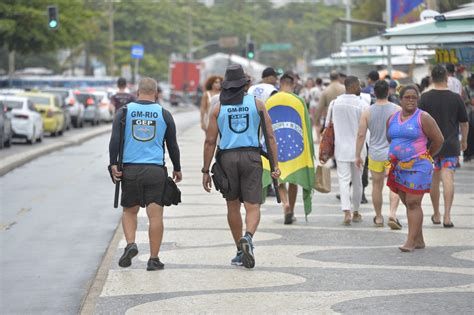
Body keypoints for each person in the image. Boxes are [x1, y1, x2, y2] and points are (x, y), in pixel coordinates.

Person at [202, 64, 280, 269]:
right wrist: (275, 165)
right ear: (245, 85)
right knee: (253, 205)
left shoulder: (218, 108)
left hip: (227, 159)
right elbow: (270, 136)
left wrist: (205, 170)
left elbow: (210, 141)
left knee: (232, 205)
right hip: (251, 157)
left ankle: (239, 249)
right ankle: (248, 237)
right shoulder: (257, 104)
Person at [109, 77, 182, 271]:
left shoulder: (124, 112)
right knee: (155, 216)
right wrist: (177, 167)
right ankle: (153, 258)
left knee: (129, 211)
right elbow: (172, 145)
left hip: (130, 170)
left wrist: (113, 164)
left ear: (137, 93)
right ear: (156, 94)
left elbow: (115, 140)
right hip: (155, 170)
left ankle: (131, 243)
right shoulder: (164, 114)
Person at [386, 85, 444, 251]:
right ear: (400, 99)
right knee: (407, 202)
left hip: (419, 167)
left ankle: (410, 242)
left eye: (414, 97)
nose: (411, 100)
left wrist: (427, 156)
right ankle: (419, 240)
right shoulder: (392, 118)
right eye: (407, 97)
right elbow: (390, 138)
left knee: (413, 202)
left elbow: (439, 139)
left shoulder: (423, 117)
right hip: (398, 166)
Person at [419, 65, 469, 228]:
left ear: (432, 79)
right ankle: (447, 216)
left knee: (434, 179)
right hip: (450, 144)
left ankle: (436, 214)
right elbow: (464, 122)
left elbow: (418, 122)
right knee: (448, 178)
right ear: (447, 78)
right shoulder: (456, 98)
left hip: (431, 146)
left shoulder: (425, 97)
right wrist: (464, 141)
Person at [266, 72, 315, 224]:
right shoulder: (298, 101)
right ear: (293, 84)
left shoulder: (270, 100)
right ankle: (291, 210)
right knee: (293, 179)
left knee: (279, 178)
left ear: (280, 84)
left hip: (276, 145)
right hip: (296, 145)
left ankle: (285, 204)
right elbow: (307, 126)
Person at [323, 76, 369, 225]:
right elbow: (366, 130)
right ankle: (356, 211)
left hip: (341, 148)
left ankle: (346, 212)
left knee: (343, 180)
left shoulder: (335, 103)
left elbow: (327, 126)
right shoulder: (363, 104)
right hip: (358, 149)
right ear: (355, 86)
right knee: (357, 182)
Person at [356, 80, 401, 229]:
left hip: (375, 154)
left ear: (374, 93)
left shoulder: (367, 112)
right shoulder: (397, 110)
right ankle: (393, 214)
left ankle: (379, 217)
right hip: (392, 155)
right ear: (388, 91)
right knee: (394, 185)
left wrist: (358, 155)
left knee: (377, 186)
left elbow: (361, 135)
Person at [462, 74, 474, 162]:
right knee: (467, 135)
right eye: (470, 80)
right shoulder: (465, 89)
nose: (471, 82)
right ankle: (467, 155)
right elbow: (461, 101)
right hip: (468, 115)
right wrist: (469, 101)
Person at [310, 78, 324, 143]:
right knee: (321, 122)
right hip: (321, 106)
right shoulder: (323, 89)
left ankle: (318, 138)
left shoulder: (312, 89)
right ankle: (321, 137)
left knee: (315, 122)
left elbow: (309, 97)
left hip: (313, 106)